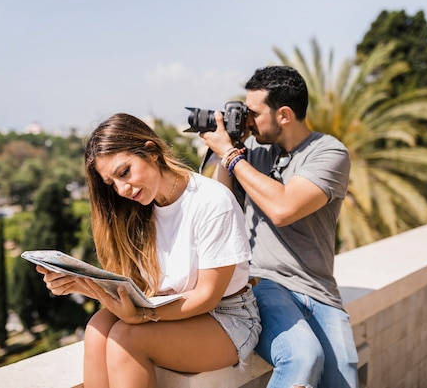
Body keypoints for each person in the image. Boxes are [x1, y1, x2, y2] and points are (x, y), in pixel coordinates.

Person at [35, 113, 261, 388]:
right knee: (96, 330)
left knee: (125, 340)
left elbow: (207, 297)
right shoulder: (137, 211)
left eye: (124, 172)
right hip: (166, 304)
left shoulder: (211, 202)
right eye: (111, 183)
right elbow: (137, 288)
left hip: (226, 317)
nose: (121, 189)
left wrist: (143, 316)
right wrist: (78, 284)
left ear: (151, 151)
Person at [200, 65, 359, 388]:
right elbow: (222, 201)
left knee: (345, 380)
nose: (248, 119)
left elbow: (284, 208)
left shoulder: (328, 153)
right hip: (264, 282)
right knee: (302, 357)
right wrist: (229, 144)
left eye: (254, 113)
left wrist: (231, 155)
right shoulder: (250, 153)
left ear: (284, 115)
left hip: (319, 290)